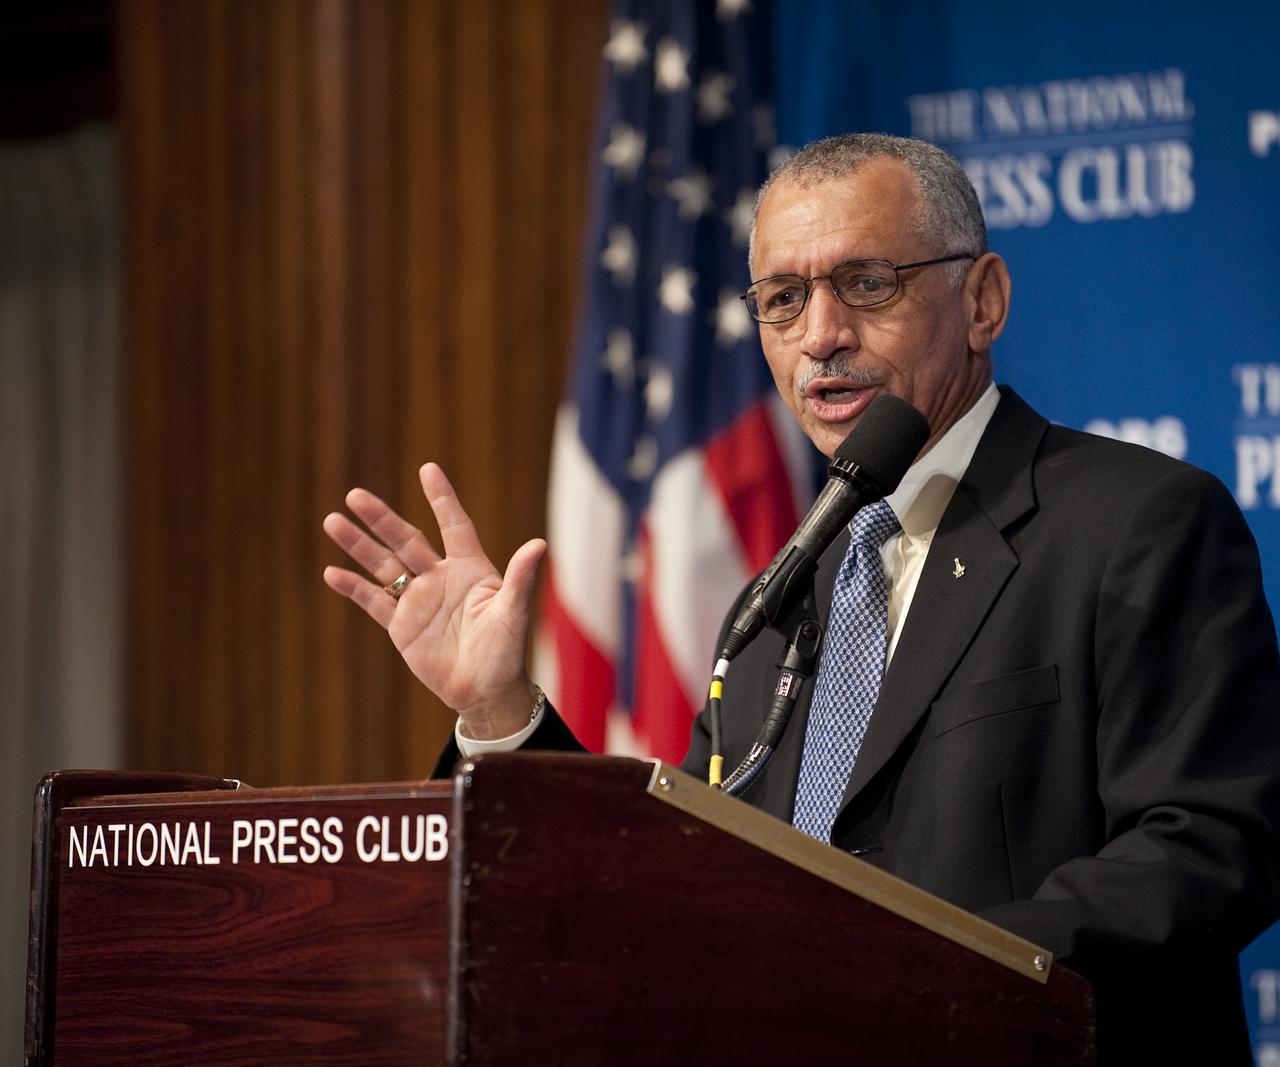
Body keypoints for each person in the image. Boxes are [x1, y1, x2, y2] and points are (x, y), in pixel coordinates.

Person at [323, 133, 1280, 1060]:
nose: (821, 335)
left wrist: (903, 979)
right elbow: (676, 877)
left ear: (982, 300)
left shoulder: (1135, 523)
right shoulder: (777, 596)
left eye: (868, 284)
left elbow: (1208, 847)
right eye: (783, 299)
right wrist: (499, 707)